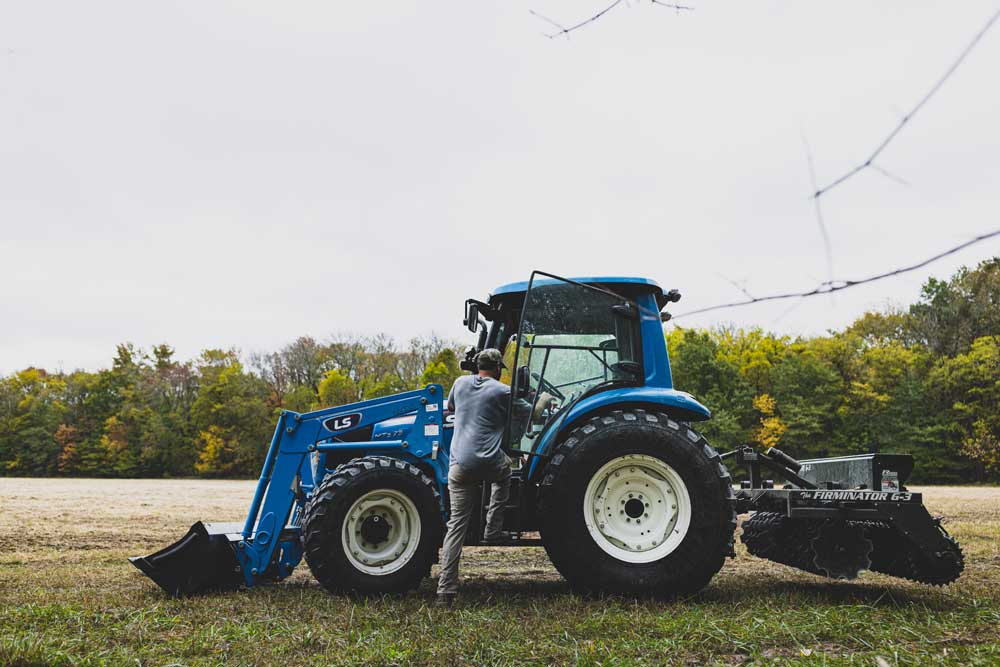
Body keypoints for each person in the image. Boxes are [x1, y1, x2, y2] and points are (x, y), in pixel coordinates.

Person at [435, 348, 526, 606]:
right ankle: (493, 529)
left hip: (459, 466)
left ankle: (445, 591)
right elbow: (528, 410)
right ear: (497, 368)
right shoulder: (501, 391)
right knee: (505, 472)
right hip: (487, 461)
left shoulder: (459, 383)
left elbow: (452, 406)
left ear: (477, 366)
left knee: (456, 527)